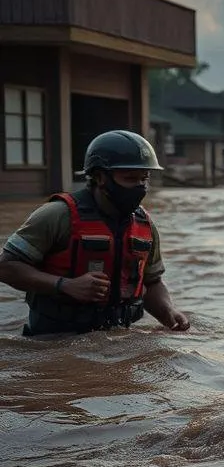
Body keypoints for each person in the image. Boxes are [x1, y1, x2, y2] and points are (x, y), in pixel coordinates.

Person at [0, 130, 190, 336]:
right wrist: (64, 285)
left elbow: (152, 282)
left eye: (144, 179)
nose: (140, 187)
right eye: (130, 178)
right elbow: (6, 266)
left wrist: (168, 312)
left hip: (118, 340)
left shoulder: (144, 224)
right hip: (52, 341)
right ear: (100, 177)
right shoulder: (57, 215)